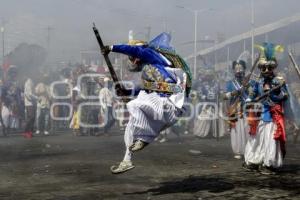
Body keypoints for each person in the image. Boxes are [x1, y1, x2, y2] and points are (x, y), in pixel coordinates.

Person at [101, 32, 192, 174]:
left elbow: (137, 51)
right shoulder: (151, 69)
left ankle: (144, 139)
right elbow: (143, 89)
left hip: (169, 105)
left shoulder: (152, 55)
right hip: (160, 108)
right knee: (130, 126)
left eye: (132, 57)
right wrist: (126, 91)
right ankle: (126, 160)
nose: (132, 61)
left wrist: (112, 48)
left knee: (133, 105)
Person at [243, 43, 287, 175]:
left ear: (273, 67)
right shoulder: (258, 82)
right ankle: (254, 161)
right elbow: (252, 96)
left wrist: (278, 90)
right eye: (263, 67)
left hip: (273, 115)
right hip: (260, 114)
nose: (266, 70)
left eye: (269, 67)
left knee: (271, 140)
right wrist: (249, 101)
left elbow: (284, 96)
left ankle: (269, 163)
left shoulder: (279, 81)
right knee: (256, 138)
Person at [222, 60, 250, 159]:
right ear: (233, 70)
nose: (238, 71)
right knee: (236, 130)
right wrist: (234, 93)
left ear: (244, 69)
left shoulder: (250, 81)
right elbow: (224, 96)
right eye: (236, 69)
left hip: (247, 109)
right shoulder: (230, 83)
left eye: (240, 68)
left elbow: (254, 94)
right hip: (235, 109)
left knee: (248, 129)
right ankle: (238, 150)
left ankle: (248, 150)